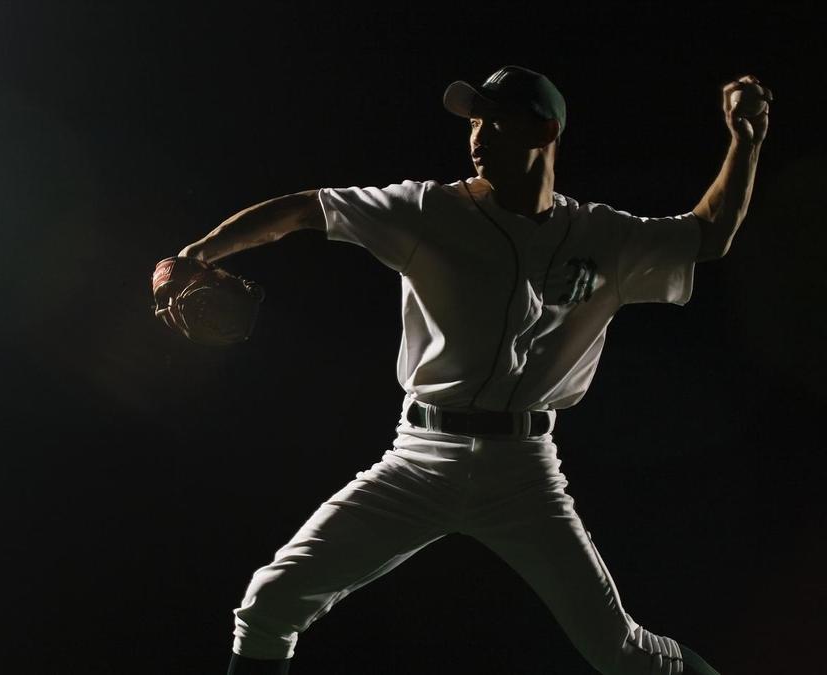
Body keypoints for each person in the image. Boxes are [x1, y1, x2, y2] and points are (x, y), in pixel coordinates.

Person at [161, 65, 769, 674]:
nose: (477, 134)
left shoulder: (602, 235)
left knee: (622, 652)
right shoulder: (428, 209)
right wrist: (196, 254)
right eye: (474, 120)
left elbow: (708, 236)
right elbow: (303, 210)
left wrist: (746, 141)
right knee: (270, 603)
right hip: (420, 458)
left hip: (525, 474)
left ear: (544, 131)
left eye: (495, 119)